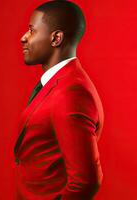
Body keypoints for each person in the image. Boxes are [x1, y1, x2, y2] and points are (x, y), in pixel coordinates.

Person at [13, 1, 104, 199]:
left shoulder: (71, 92)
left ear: (56, 38)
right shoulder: (59, 83)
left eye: (31, 30)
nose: (23, 38)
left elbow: (86, 181)